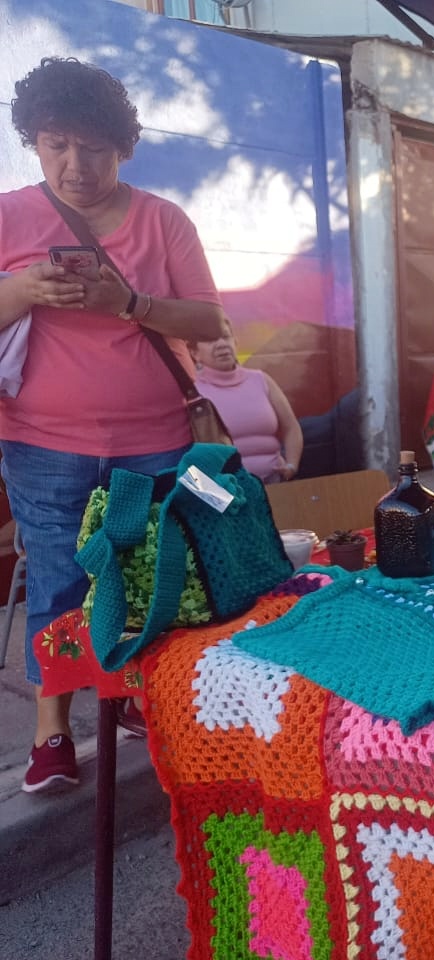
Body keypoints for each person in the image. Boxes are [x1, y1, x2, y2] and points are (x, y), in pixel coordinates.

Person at [0, 58, 223, 793]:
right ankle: (53, 733)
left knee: (152, 578)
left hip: (156, 438)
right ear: (33, 142)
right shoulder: (7, 216)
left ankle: (134, 698)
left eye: (93, 147)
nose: (75, 164)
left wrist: (129, 303)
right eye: (55, 144)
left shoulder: (163, 220)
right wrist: (23, 290)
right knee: (60, 582)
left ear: (122, 147)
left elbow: (208, 320)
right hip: (41, 443)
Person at [191, 318, 303, 483]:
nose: (221, 344)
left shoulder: (261, 380)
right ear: (195, 353)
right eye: (210, 340)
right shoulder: (193, 393)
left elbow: (291, 427)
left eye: (226, 337)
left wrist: (292, 466)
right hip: (230, 491)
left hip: (276, 485)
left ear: (235, 342)